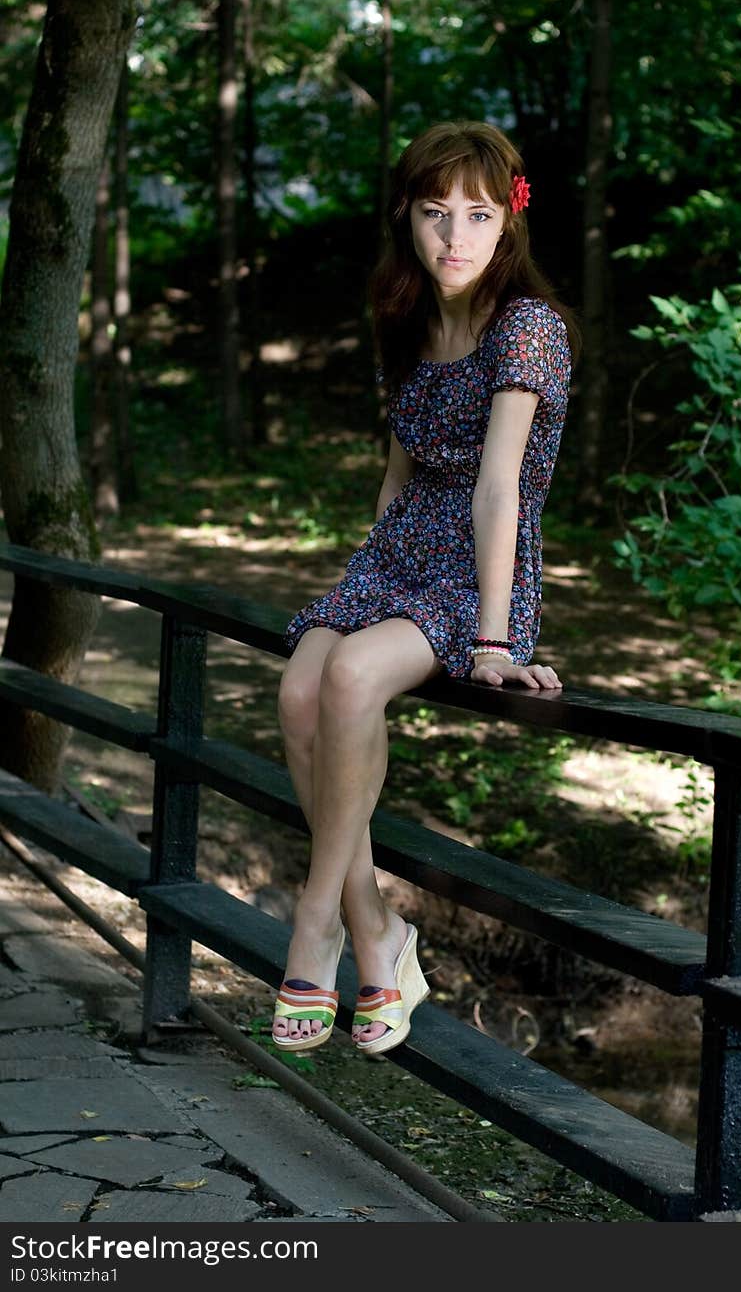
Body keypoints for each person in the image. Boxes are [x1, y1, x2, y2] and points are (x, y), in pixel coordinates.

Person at [272, 120, 578, 1058]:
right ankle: (381, 936)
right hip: (397, 554)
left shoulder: (529, 329)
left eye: (479, 215)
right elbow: (399, 471)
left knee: (355, 679)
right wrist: (366, 567)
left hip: (478, 565)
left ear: (509, 223)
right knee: (298, 690)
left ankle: (317, 918)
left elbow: (498, 488)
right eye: (437, 214)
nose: (457, 237)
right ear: (407, 217)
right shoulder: (406, 318)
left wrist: (495, 642)